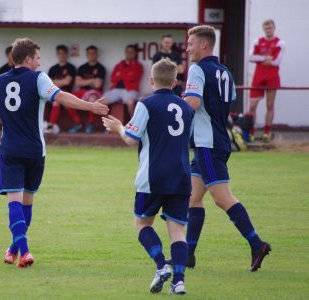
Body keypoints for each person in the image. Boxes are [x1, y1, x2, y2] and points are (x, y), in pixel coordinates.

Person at [0, 38, 108, 268]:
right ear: (28, 59)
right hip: (34, 149)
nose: (40, 63)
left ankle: (15, 248)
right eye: (38, 58)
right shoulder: (39, 78)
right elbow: (61, 97)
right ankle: (25, 252)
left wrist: (12, 120)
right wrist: (90, 106)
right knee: (28, 201)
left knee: (14, 202)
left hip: (10, 149)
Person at [182, 25, 271, 272]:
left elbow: (193, 101)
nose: (188, 47)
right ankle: (188, 255)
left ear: (204, 45)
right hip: (214, 141)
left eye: (191, 43)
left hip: (208, 144)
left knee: (222, 198)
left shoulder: (197, 69)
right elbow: (226, 102)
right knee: (192, 198)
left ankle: (257, 243)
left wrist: (169, 109)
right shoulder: (225, 72)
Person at [102, 58, 194, 295]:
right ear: (175, 82)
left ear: (151, 80)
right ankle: (179, 280)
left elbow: (131, 138)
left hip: (152, 177)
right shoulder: (186, 107)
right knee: (177, 231)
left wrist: (118, 127)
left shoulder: (146, 104)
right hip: (181, 176)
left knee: (142, 223)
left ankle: (162, 266)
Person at [248, 19, 285, 142]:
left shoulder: (280, 43)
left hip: (272, 77)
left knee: (270, 105)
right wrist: (265, 58)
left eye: (270, 28)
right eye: (266, 28)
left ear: (274, 28)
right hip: (258, 77)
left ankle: (266, 132)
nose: (268, 30)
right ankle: (251, 132)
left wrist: (264, 60)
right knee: (252, 106)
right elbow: (250, 57)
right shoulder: (258, 41)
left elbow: (276, 61)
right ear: (264, 29)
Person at [46, 45, 82, 134]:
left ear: (66, 54)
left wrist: (55, 81)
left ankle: (51, 126)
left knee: (60, 100)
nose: (61, 55)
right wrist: (61, 81)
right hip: (53, 93)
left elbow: (67, 82)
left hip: (67, 92)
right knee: (57, 99)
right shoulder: (53, 69)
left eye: (63, 53)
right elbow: (48, 84)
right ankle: (77, 123)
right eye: (59, 53)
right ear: (57, 54)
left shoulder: (71, 67)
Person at [71, 45, 106, 133]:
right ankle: (78, 123)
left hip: (96, 92)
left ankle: (91, 124)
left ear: (97, 54)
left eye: (93, 53)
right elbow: (77, 83)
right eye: (89, 53)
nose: (91, 55)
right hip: (82, 91)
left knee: (92, 98)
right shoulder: (82, 68)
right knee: (68, 99)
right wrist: (92, 80)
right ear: (86, 54)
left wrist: (84, 81)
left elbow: (98, 84)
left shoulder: (100, 68)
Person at [104, 45, 143, 117]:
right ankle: (107, 124)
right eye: (127, 52)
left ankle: (135, 125)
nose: (129, 54)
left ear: (135, 53)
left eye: (131, 52)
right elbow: (112, 79)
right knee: (102, 102)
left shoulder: (138, 66)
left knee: (130, 103)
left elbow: (133, 77)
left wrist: (120, 74)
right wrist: (127, 73)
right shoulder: (119, 65)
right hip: (115, 90)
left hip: (130, 90)